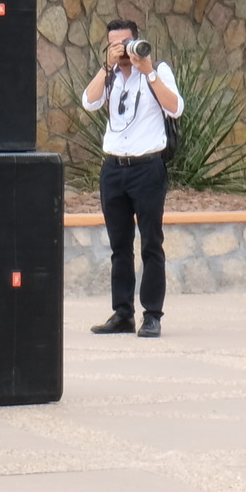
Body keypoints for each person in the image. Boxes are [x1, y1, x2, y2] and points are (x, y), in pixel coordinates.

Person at [80, 19, 181, 337]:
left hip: (147, 168)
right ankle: (122, 313)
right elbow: (89, 102)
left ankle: (152, 315)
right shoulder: (109, 77)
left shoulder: (158, 71)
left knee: (152, 243)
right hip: (114, 169)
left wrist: (147, 69)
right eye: (114, 45)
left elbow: (175, 108)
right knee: (119, 245)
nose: (122, 50)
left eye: (126, 43)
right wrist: (105, 67)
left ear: (138, 41)